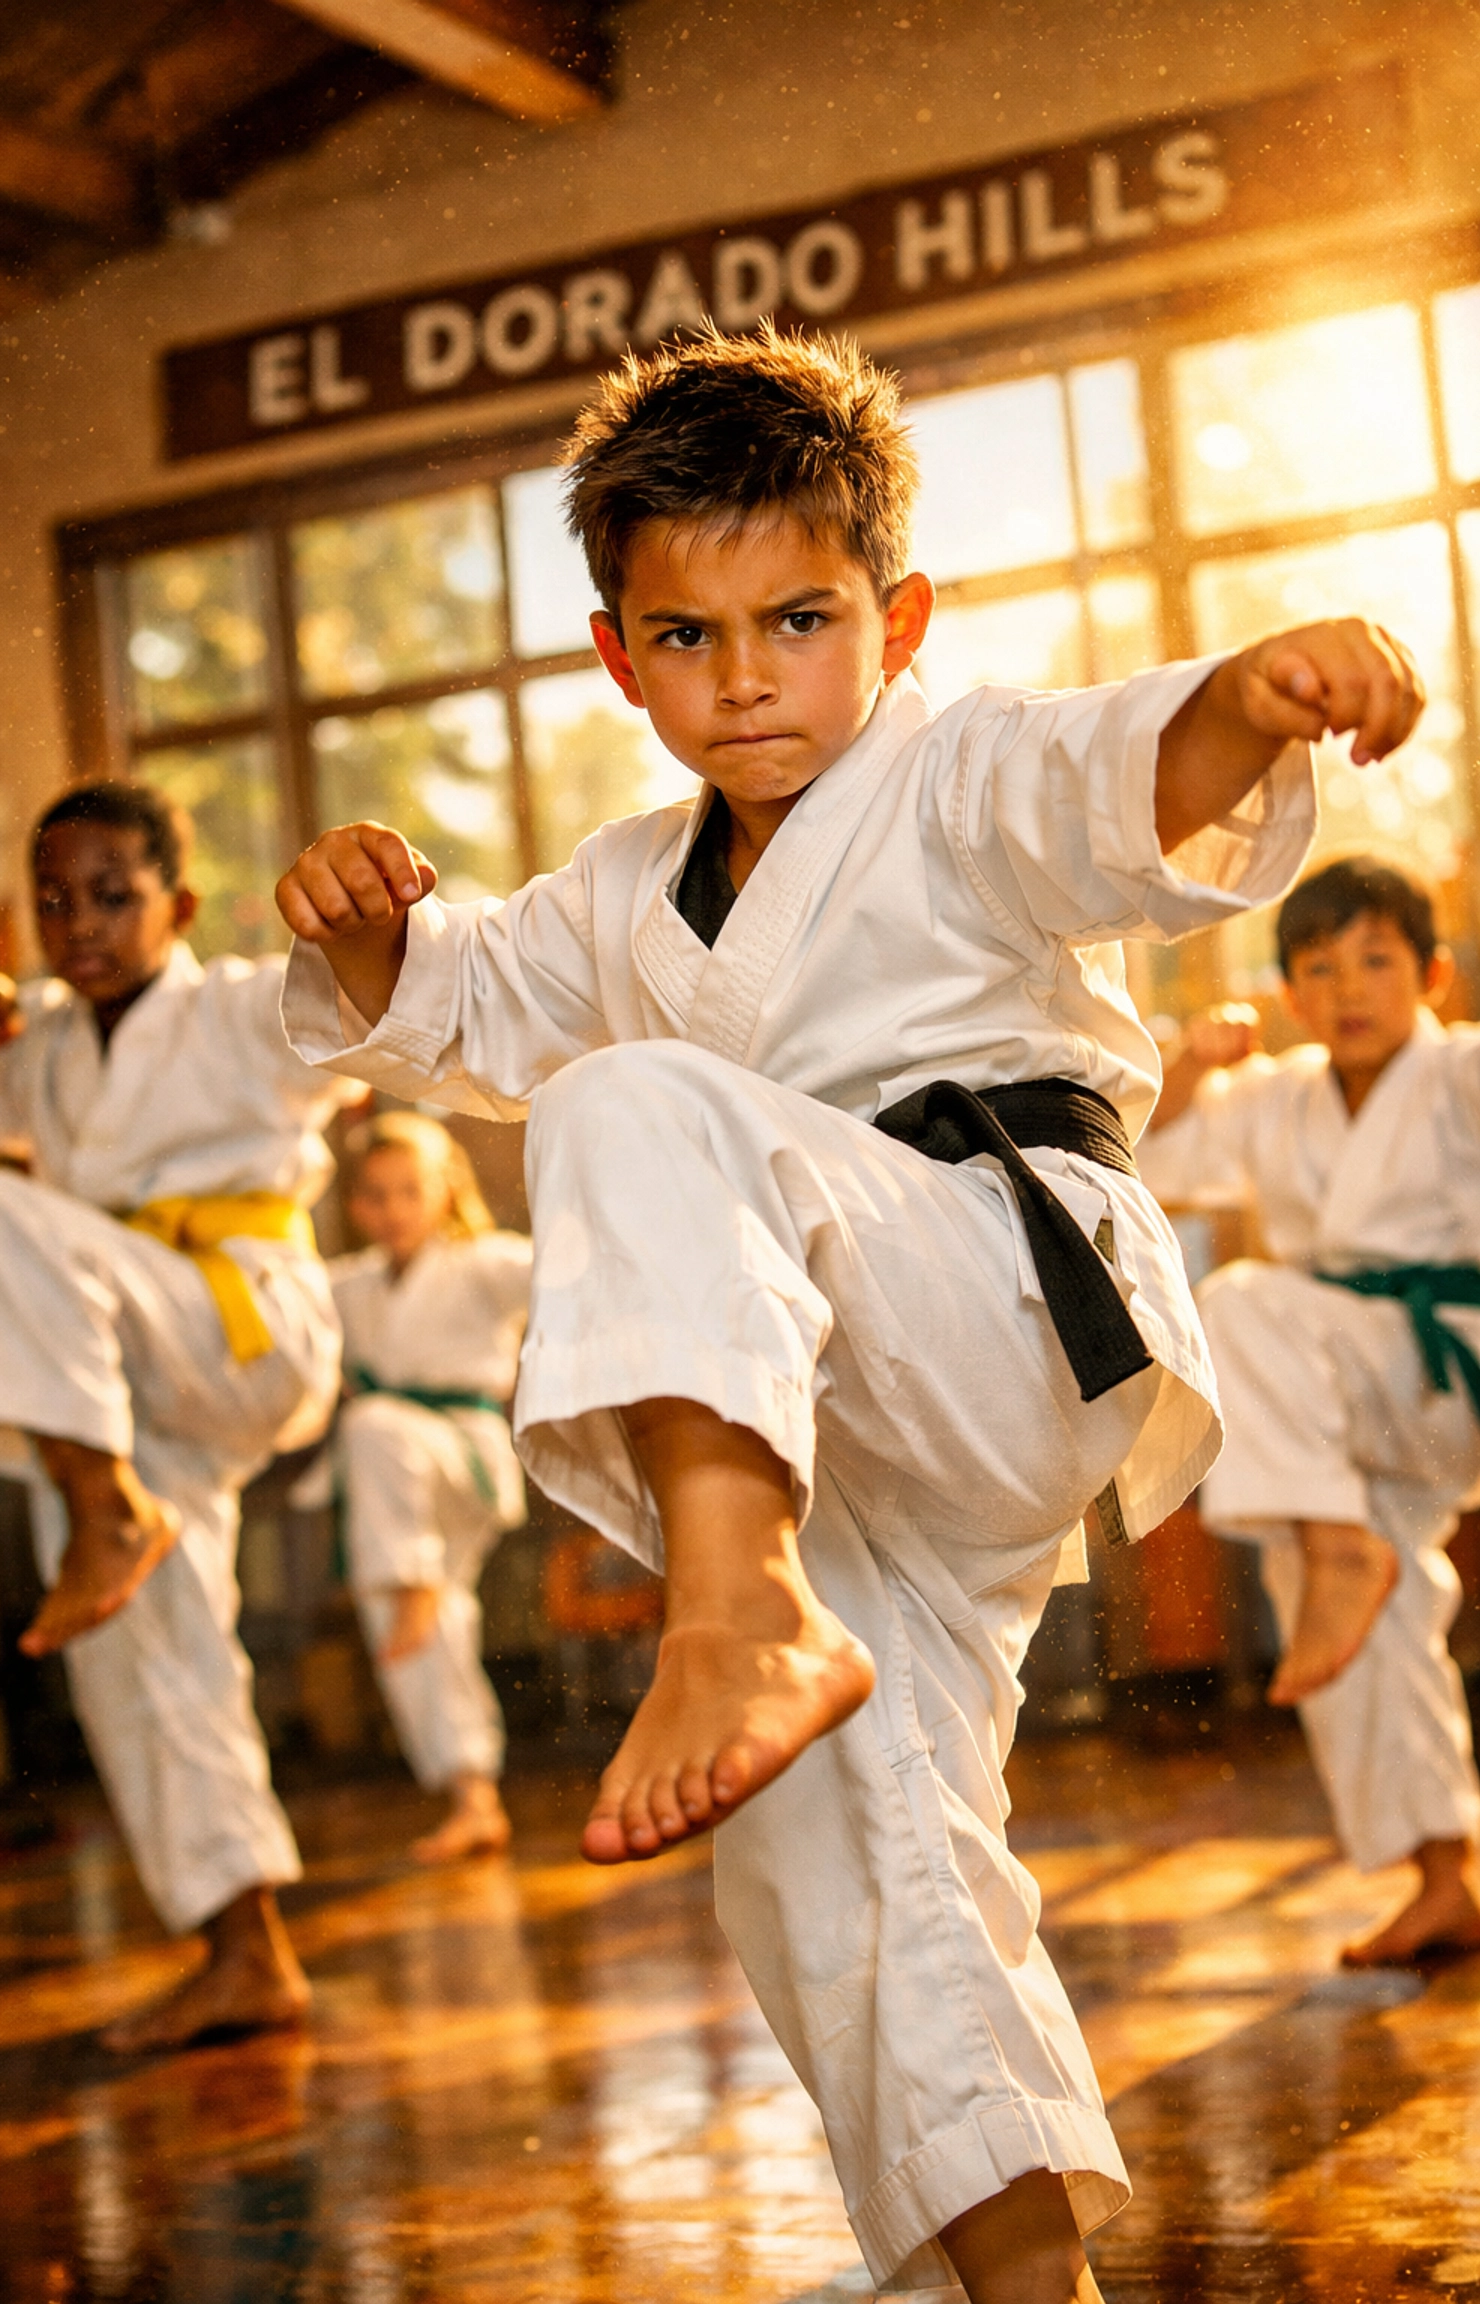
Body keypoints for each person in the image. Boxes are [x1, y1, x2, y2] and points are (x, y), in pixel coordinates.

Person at [274, 328, 1421, 2303]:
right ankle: (1022, 2274)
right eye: (687, 635)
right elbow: (449, 1001)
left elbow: (1111, 775)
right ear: (619, 659)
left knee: (625, 1105)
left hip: (1000, 1290)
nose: (747, 678)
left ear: (895, 620)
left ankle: (730, 1611)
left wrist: (1248, 697)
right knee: (835, 1842)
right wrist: (366, 921)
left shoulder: (957, 772)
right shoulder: (622, 890)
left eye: (798, 621)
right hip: (821, 1420)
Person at [0, 781, 363, 2051]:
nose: (79, 925)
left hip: (241, 1327)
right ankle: (245, 1951)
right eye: (54, 901)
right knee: (143, 1650)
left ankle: (99, 1507)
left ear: (177, 906)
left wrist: (362, 929)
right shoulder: (41, 1041)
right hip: (124, 1375)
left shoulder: (236, 1006)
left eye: (112, 895)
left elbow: (361, 1016)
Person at [1139, 854, 1480, 1969]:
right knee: (1359, 1614)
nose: (1349, 990)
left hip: (1450, 1364)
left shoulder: (1463, 1072)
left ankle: (1338, 1545)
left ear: (1431, 975)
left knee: (1244, 1302)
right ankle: (1445, 1877)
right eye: (1321, 969)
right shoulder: (1276, 1095)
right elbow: (1140, 1148)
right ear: (1289, 993)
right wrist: (1194, 1060)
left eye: (1377, 961)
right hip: (1347, 1402)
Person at [324, 1109, 531, 1864]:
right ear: (354, 1205)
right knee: (418, 1629)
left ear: (445, 1189)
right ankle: (471, 1796)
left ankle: (410, 1572)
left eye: (410, 1191)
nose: (393, 1210)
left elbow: (571, 1271)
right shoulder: (346, 1287)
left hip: (462, 1458)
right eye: (375, 1195)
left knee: (372, 1426)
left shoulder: (486, 1263)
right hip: (393, 1483)